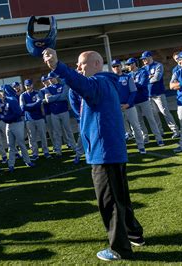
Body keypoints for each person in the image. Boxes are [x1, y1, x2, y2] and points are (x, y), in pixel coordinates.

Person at [43, 48, 143, 261]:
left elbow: (79, 84)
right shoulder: (106, 84)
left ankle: (119, 249)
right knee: (121, 198)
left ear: (97, 64)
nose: (78, 68)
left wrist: (57, 66)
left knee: (110, 203)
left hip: (103, 152)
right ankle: (134, 234)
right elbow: (79, 105)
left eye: (82, 64)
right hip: (111, 151)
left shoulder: (99, 83)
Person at [125, 58, 165, 147]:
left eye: (129, 64)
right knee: (139, 121)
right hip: (134, 101)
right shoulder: (128, 75)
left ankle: (159, 138)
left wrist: (131, 85)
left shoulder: (142, 72)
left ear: (134, 64)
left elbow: (142, 84)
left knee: (151, 119)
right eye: (127, 65)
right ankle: (145, 137)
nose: (128, 66)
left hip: (144, 99)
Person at [141, 51, 180, 138]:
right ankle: (160, 132)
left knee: (165, 112)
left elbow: (156, 78)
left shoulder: (158, 65)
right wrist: (148, 78)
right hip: (148, 95)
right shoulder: (143, 68)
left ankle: (175, 131)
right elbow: (141, 81)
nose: (143, 60)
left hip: (159, 93)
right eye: (142, 59)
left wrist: (146, 80)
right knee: (154, 115)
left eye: (145, 58)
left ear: (150, 57)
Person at [111, 59, 147, 154]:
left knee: (136, 126)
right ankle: (123, 149)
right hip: (116, 108)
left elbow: (133, 92)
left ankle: (141, 146)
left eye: (118, 66)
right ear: (112, 68)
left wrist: (128, 104)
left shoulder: (127, 77)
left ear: (120, 66)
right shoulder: (110, 80)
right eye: (114, 66)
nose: (116, 68)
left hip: (129, 106)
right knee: (119, 129)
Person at [0, 84, 34, 172]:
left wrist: (5, 118)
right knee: (11, 146)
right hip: (9, 124)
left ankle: (28, 161)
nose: (0, 93)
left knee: (21, 144)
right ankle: (11, 165)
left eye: (1, 91)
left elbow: (18, 113)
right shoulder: (5, 100)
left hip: (16, 124)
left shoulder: (12, 100)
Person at [43, 72, 77, 158]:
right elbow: (48, 100)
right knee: (56, 132)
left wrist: (53, 97)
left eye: (51, 78)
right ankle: (58, 150)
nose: (50, 80)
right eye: (49, 79)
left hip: (64, 111)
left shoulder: (63, 86)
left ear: (55, 78)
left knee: (68, 130)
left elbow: (64, 96)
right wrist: (58, 96)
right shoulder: (48, 89)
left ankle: (74, 146)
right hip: (54, 113)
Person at [20, 79, 51, 160]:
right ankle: (35, 153)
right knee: (32, 138)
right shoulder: (22, 95)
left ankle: (46, 152)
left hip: (39, 118)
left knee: (43, 136)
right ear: (24, 86)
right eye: (27, 85)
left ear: (32, 85)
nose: (28, 87)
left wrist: (29, 106)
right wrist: (34, 105)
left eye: (29, 85)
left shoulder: (38, 93)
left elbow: (39, 103)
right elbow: (23, 107)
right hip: (29, 120)